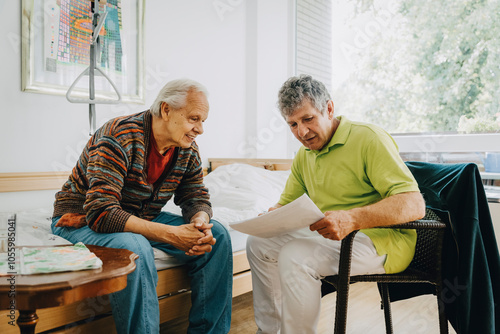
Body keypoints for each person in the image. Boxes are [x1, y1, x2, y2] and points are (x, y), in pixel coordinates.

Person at [246, 74, 425, 333]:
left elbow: (413, 204)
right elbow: (285, 205)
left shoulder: (368, 138)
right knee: (259, 243)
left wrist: (352, 218)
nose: (302, 132)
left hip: (380, 240)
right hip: (332, 238)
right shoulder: (304, 155)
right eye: (293, 124)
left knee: (296, 256)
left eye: (308, 119)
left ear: (329, 109)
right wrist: (269, 219)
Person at [51, 79, 233, 334]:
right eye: (194, 118)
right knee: (135, 248)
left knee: (218, 235)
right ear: (167, 110)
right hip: (79, 218)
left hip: (136, 217)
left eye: (203, 121)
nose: (200, 129)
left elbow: (194, 196)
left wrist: (199, 221)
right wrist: (171, 234)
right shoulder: (118, 135)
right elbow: (101, 211)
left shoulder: (187, 148)